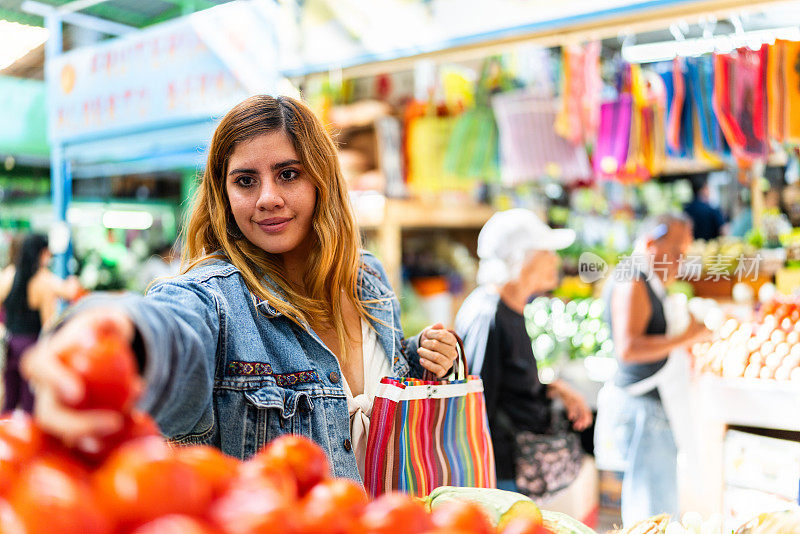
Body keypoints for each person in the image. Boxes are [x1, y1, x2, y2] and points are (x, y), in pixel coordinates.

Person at [21, 95, 458, 482]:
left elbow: (370, 405)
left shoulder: (368, 280)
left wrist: (419, 357)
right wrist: (115, 330)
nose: (267, 197)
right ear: (223, 194)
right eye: (245, 180)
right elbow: (174, 332)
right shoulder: (217, 301)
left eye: (288, 174)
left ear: (322, 181)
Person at [455, 209, 593, 497]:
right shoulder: (489, 316)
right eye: (547, 252)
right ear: (521, 259)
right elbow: (476, 405)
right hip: (499, 474)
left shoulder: (510, 309)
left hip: (512, 470)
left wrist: (554, 389)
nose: (556, 260)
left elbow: (508, 384)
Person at [595, 214, 711, 526]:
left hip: (650, 410)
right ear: (650, 244)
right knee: (652, 515)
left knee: (656, 511)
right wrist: (687, 336)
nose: (681, 262)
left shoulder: (645, 278)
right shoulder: (632, 279)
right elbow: (629, 348)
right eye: (676, 252)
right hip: (643, 411)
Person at [3, 234, 80, 413]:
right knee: (31, 404)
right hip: (32, 346)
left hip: (10, 344)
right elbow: (68, 294)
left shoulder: (8, 275)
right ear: (42, 253)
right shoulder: (44, 279)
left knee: (10, 401)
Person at [683, 174, 725, 240]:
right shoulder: (712, 209)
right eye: (708, 188)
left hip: (692, 246)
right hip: (712, 247)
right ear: (703, 190)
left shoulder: (686, 210)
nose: (709, 191)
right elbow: (723, 231)